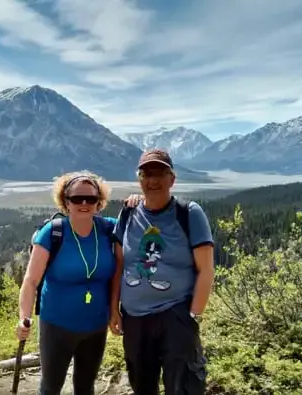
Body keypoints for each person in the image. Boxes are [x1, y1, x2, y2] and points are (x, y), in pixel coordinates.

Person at [16, 170, 140, 395]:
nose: (84, 203)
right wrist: (24, 317)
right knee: (51, 386)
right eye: (76, 198)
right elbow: (31, 281)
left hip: (96, 326)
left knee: (86, 386)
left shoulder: (108, 229)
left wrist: (136, 202)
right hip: (57, 325)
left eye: (91, 199)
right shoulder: (53, 233)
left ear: (99, 202)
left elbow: (139, 221)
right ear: (66, 202)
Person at [109, 149, 215, 395]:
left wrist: (193, 316)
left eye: (160, 173)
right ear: (139, 179)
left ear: (172, 179)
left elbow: (206, 269)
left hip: (175, 315)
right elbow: (119, 265)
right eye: (147, 173)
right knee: (142, 386)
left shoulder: (188, 213)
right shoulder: (128, 213)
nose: (153, 180)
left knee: (183, 387)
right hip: (135, 318)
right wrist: (113, 308)